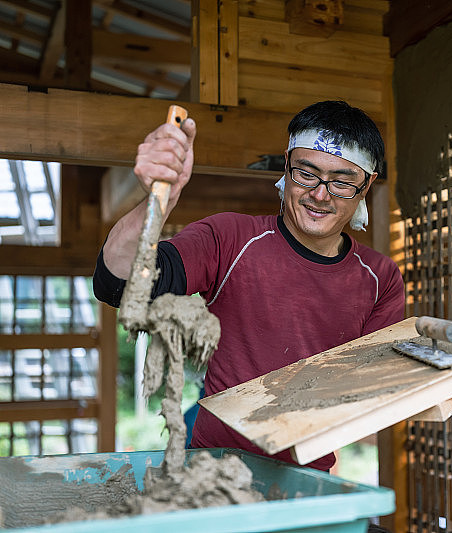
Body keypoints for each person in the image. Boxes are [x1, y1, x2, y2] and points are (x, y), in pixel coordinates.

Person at [93, 100, 406, 472]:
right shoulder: (230, 237)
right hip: (212, 470)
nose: (320, 195)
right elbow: (120, 285)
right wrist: (160, 199)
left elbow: (367, 392)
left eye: (341, 182)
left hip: (309, 477)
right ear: (286, 166)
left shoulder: (379, 278)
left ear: (366, 184)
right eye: (306, 173)